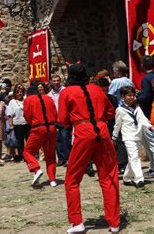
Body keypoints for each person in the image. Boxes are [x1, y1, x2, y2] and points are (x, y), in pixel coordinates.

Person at [58, 63, 119, 233]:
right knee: (109, 177)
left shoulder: (66, 92)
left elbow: (62, 120)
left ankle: (77, 222)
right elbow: (110, 111)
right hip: (102, 129)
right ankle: (114, 222)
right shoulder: (97, 89)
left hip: (83, 131)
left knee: (72, 179)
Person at [112, 86, 154, 188]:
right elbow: (117, 125)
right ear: (123, 96)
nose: (131, 97)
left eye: (133, 95)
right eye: (129, 95)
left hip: (137, 135)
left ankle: (126, 178)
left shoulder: (137, 108)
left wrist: (150, 127)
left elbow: (143, 119)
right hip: (128, 136)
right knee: (134, 157)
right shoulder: (120, 110)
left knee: (133, 157)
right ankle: (139, 179)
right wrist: (114, 137)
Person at [23, 84, 58, 187]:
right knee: (50, 155)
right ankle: (52, 180)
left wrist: (32, 123)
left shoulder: (28, 100)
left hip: (38, 128)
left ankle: (36, 169)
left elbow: (27, 115)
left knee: (27, 152)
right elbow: (54, 112)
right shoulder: (49, 98)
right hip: (51, 128)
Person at [136, 55, 154, 177]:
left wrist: (136, 98)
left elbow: (145, 97)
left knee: (151, 143)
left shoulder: (146, 79)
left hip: (149, 113)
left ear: (143, 66)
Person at [48, 75, 70, 167]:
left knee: (66, 139)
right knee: (58, 140)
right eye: (54, 81)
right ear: (51, 82)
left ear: (60, 81)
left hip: (65, 118)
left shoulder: (65, 90)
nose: (56, 82)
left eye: (57, 80)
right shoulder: (50, 94)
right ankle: (61, 159)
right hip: (55, 118)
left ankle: (68, 158)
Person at [6, 84, 28, 162]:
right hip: (18, 124)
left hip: (26, 123)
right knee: (20, 141)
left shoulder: (26, 100)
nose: (19, 93)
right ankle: (22, 156)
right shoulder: (12, 102)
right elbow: (10, 115)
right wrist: (11, 125)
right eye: (17, 92)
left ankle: (29, 155)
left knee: (28, 141)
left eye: (21, 92)